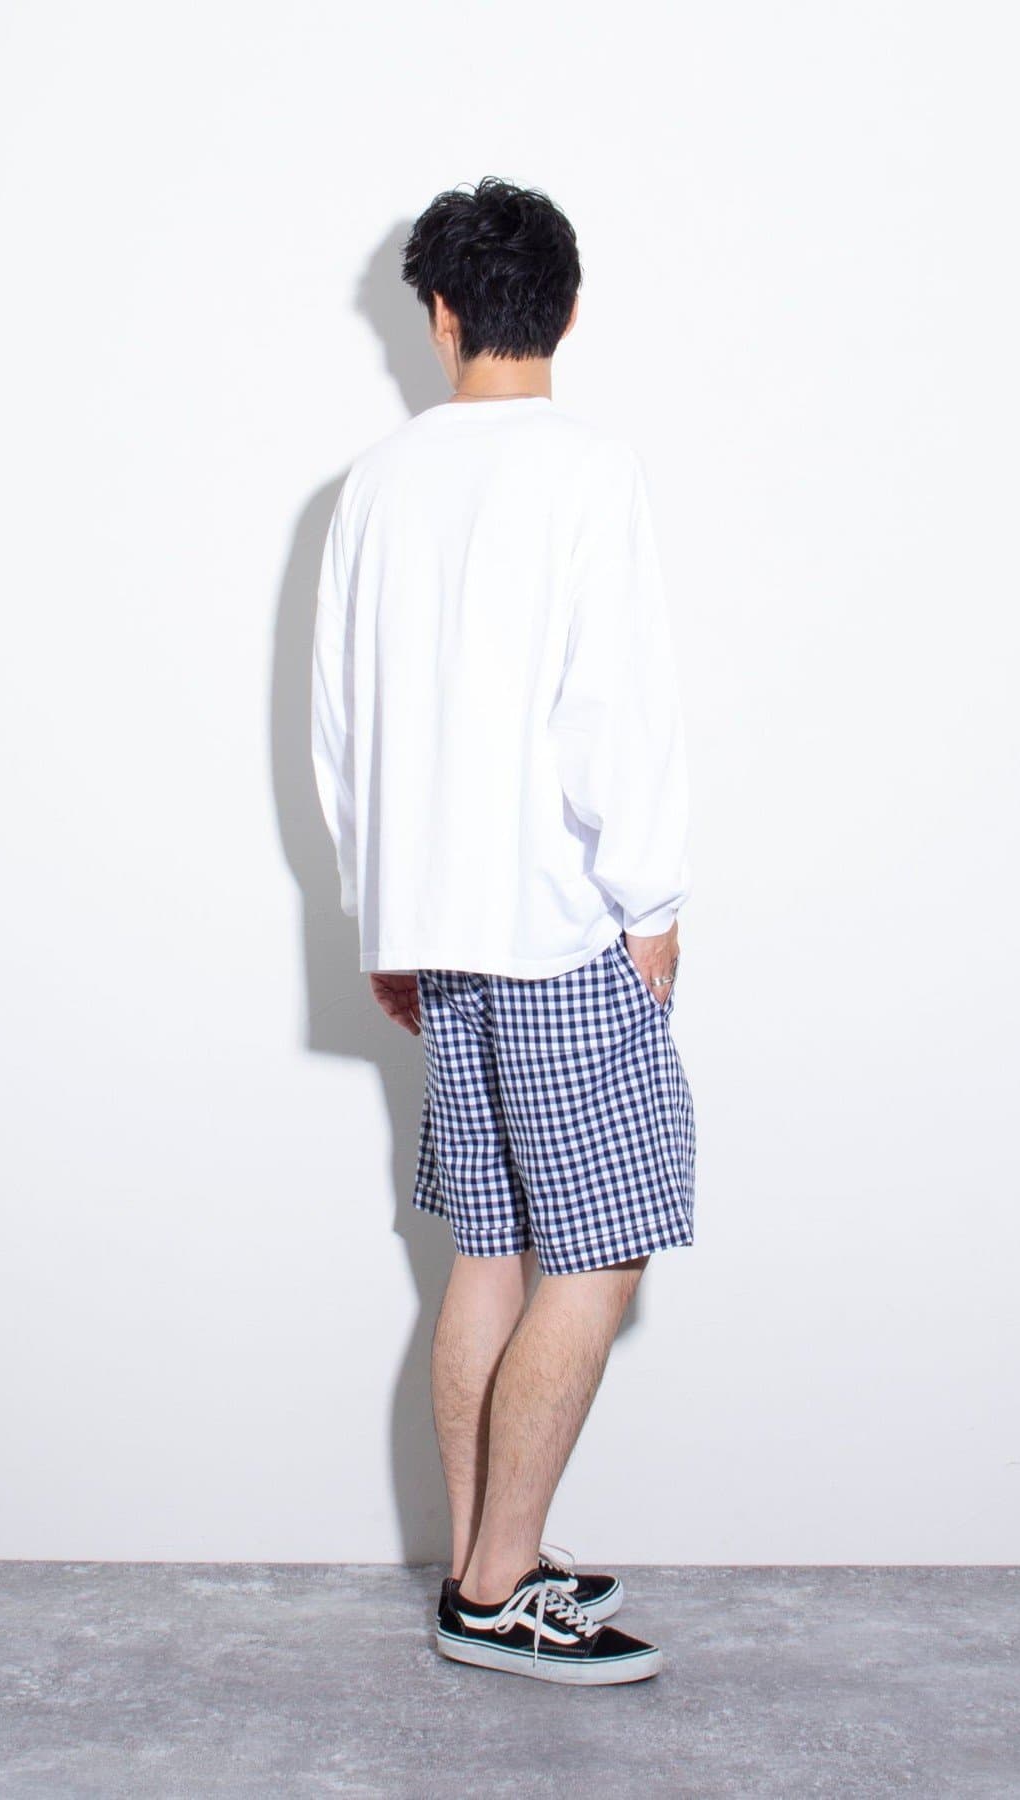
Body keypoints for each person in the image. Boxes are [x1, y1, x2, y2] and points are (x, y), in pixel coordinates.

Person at [310, 176, 695, 1685]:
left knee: (490, 1250)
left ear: (442, 314)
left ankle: (482, 1566)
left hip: (438, 931)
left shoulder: (373, 485)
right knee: (599, 1253)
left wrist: (382, 916)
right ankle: (497, 1583)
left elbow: (342, 730)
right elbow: (619, 707)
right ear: (570, 310)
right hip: (558, 928)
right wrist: (652, 902)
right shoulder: (589, 471)